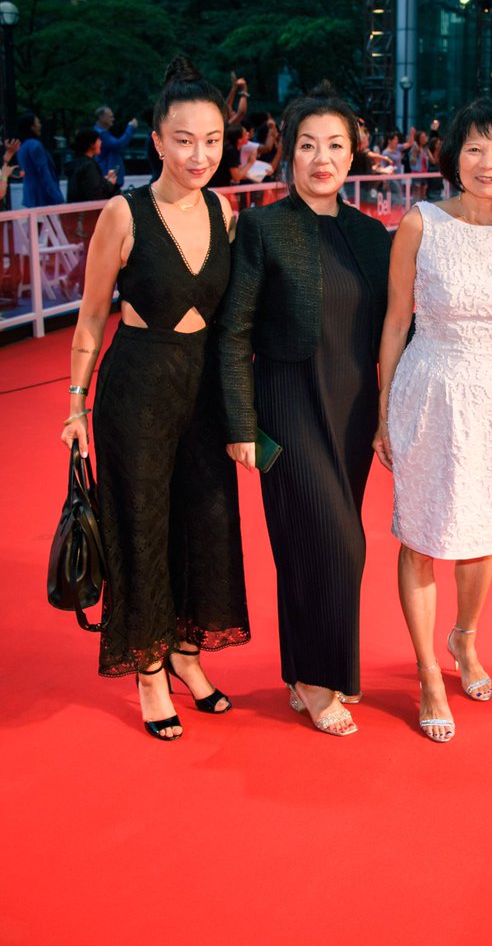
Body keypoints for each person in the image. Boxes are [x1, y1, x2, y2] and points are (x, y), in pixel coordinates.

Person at [61, 57, 250, 741]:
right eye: (183, 140)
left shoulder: (226, 211)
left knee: (206, 524)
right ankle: (148, 670)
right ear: (157, 138)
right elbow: (88, 322)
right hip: (137, 390)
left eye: (212, 141)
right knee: (141, 527)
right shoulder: (124, 212)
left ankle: (186, 653)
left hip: (203, 394)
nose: (199, 155)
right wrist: (75, 406)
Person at [373, 99, 492, 743]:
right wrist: (381, 412)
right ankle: (429, 670)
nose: (488, 162)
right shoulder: (420, 223)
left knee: (482, 534)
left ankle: (464, 638)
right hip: (427, 390)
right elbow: (396, 320)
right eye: (474, 149)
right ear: (453, 156)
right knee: (423, 535)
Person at [218, 85, 391, 738]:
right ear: (288, 153)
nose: (323, 158)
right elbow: (234, 330)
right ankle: (322, 682)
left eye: (336, 145)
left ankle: (300, 671)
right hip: (283, 404)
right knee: (336, 544)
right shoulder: (263, 227)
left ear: (355, 154)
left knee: (308, 548)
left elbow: (396, 328)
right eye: (308, 145)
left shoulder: (372, 236)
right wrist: (239, 425)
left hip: (351, 408)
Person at [62, 128, 121, 299]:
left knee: (89, 252)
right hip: (89, 218)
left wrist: (105, 182)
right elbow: (95, 194)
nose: (101, 143)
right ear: (91, 144)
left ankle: (71, 282)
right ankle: (81, 288)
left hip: (80, 217)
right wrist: (109, 184)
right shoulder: (88, 165)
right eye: (98, 140)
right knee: (92, 253)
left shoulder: (78, 165)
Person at [17, 113, 63, 207]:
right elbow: (44, 172)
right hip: (42, 196)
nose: (40, 125)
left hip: (30, 194)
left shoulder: (22, 146)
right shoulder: (35, 145)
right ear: (31, 127)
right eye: (37, 123)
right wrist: (57, 196)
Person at [94, 106, 138, 188]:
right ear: (101, 117)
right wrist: (130, 128)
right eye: (110, 116)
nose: (113, 119)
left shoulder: (101, 133)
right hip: (108, 177)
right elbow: (118, 145)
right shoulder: (102, 134)